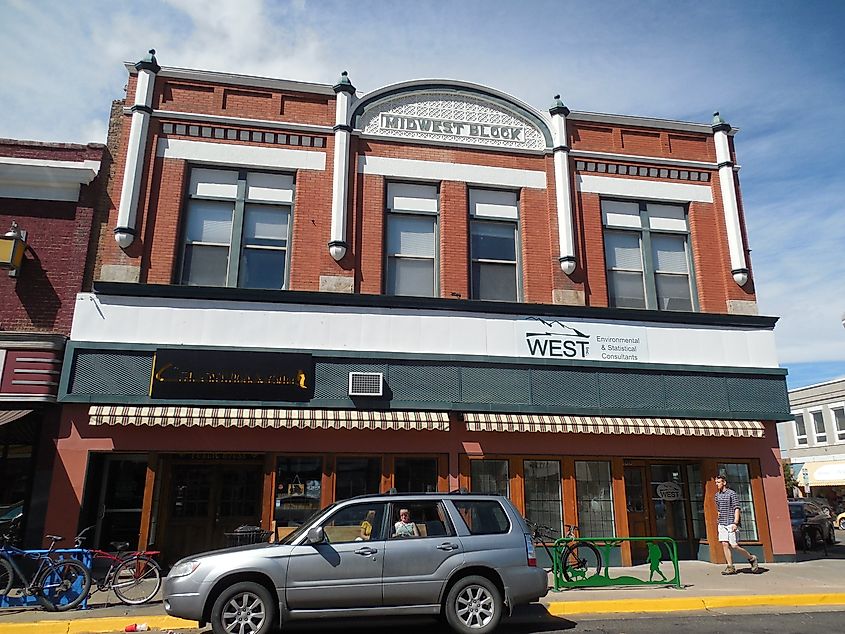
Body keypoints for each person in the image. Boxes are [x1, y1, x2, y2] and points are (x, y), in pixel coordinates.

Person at [714, 474, 758, 575]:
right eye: (716, 482)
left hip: (731, 522)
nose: (717, 484)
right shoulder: (717, 495)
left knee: (734, 545)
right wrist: (718, 518)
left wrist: (735, 522)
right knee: (724, 544)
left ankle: (751, 558)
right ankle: (730, 566)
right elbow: (719, 509)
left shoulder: (731, 494)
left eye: (719, 482)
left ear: (724, 482)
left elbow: (736, 508)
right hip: (722, 523)